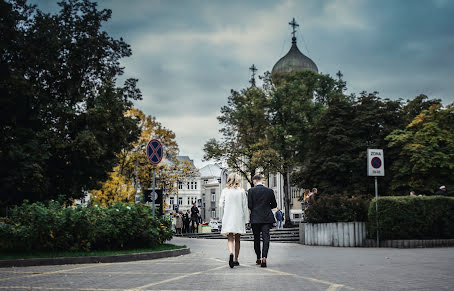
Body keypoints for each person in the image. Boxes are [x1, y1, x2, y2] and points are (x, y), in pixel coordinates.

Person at [219, 173, 249, 268]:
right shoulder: (241, 191)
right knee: (238, 239)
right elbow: (245, 206)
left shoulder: (225, 191)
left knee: (230, 237)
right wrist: (246, 219)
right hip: (238, 217)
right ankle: (236, 259)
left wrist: (226, 206)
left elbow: (220, 204)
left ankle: (231, 253)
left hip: (228, 216)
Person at [248, 174, 277, 268]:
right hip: (266, 217)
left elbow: (250, 205)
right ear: (261, 180)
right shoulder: (269, 191)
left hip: (255, 218)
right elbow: (274, 205)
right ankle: (264, 257)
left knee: (256, 238)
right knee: (266, 237)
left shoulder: (251, 191)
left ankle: (258, 258)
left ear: (255, 181)